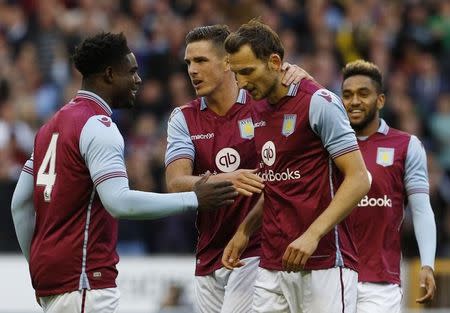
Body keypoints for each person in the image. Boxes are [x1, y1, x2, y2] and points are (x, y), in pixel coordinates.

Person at [10, 32, 237, 313]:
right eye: (131, 72)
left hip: (54, 281)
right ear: (109, 74)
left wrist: (39, 266)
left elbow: (19, 205)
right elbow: (118, 202)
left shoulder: (49, 127)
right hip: (85, 279)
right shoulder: (98, 126)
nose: (137, 80)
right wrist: (194, 198)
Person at [222, 19, 371, 313]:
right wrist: (245, 231)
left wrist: (312, 235)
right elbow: (279, 182)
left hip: (324, 261)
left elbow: (359, 179)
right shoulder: (256, 109)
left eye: (247, 72)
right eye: (236, 74)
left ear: (275, 62)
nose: (241, 83)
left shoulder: (319, 102)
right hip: (274, 261)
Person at [164, 24, 306, 313]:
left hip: (257, 247)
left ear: (228, 63)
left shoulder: (263, 105)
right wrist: (227, 179)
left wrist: (303, 76)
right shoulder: (184, 118)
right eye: (189, 62)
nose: (192, 70)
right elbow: (175, 182)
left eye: (201, 61)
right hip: (210, 251)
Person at [341, 59, 437, 312]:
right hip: (333, 277)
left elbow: (421, 209)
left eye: (363, 94)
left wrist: (427, 264)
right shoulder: (329, 146)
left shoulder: (406, 146)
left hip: (380, 282)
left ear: (380, 100)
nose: (354, 101)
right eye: (347, 95)